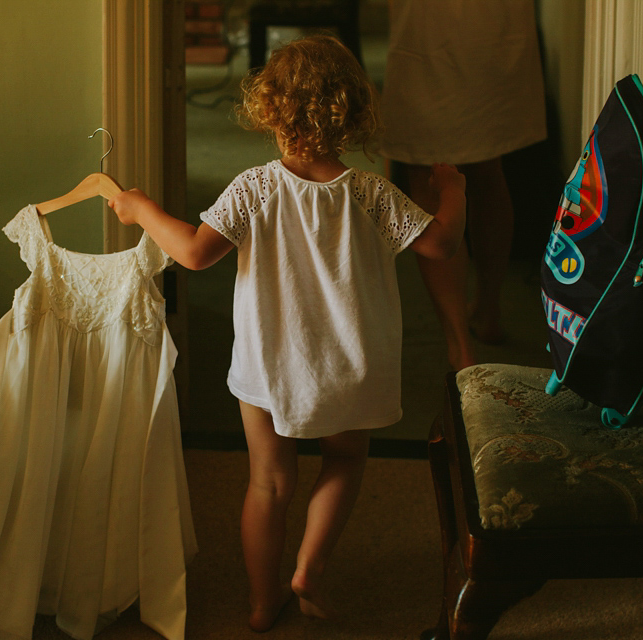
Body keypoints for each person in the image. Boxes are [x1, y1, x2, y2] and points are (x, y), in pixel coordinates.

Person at [109, 35, 466, 632]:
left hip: (269, 367)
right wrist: (453, 191)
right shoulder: (373, 193)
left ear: (269, 111)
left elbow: (195, 255)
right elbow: (442, 244)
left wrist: (141, 208)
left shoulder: (254, 188)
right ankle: (309, 569)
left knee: (268, 483)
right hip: (352, 365)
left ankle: (259, 602)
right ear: (352, 114)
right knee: (346, 459)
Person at [380, 0, 548, 368]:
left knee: (428, 173)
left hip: (426, 28)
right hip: (494, 24)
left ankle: (460, 344)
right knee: (487, 165)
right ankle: (488, 311)